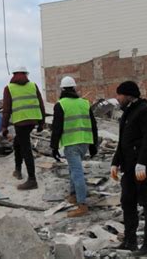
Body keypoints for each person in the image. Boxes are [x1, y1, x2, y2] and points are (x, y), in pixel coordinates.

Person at [111, 81, 147, 256]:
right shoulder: (128, 113)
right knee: (127, 201)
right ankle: (130, 241)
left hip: (145, 166)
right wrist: (115, 162)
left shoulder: (146, 111)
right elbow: (123, 142)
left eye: (119, 95)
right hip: (129, 165)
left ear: (128, 95)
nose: (117, 98)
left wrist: (142, 162)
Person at [50, 76, 98, 217]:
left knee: (77, 172)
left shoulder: (61, 104)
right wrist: (94, 144)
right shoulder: (84, 103)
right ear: (74, 88)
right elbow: (93, 125)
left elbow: (57, 127)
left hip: (71, 143)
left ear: (62, 89)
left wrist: (54, 146)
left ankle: (82, 204)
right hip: (84, 142)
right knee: (73, 169)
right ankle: (73, 195)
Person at [2, 66, 45, 190]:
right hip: (32, 121)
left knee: (26, 149)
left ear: (13, 75)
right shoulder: (33, 85)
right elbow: (41, 104)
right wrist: (41, 123)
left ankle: (32, 180)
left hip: (20, 122)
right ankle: (18, 170)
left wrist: (4, 127)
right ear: (26, 74)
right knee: (18, 143)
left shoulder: (8, 88)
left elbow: (6, 110)